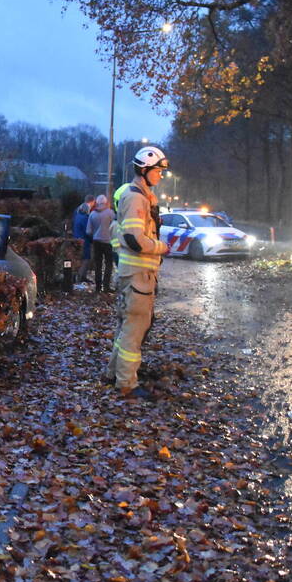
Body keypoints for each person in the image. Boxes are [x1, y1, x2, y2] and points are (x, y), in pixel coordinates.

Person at [104, 146, 170, 400]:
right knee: (135, 330)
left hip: (134, 275)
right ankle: (127, 384)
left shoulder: (141, 196)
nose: (160, 176)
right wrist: (162, 247)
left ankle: (114, 373)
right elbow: (133, 238)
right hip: (138, 276)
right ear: (144, 170)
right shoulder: (136, 198)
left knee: (126, 327)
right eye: (158, 171)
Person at [87, 194, 115, 293]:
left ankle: (98, 287)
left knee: (98, 265)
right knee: (108, 264)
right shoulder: (110, 213)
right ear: (106, 202)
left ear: (97, 203)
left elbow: (88, 231)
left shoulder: (92, 214)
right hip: (108, 242)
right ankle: (106, 286)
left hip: (96, 242)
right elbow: (116, 227)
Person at [73, 195, 95, 283]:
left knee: (79, 258)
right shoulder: (85, 218)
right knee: (86, 259)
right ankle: (80, 277)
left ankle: (79, 277)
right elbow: (88, 231)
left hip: (77, 238)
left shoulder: (77, 214)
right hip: (84, 241)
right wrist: (93, 239)